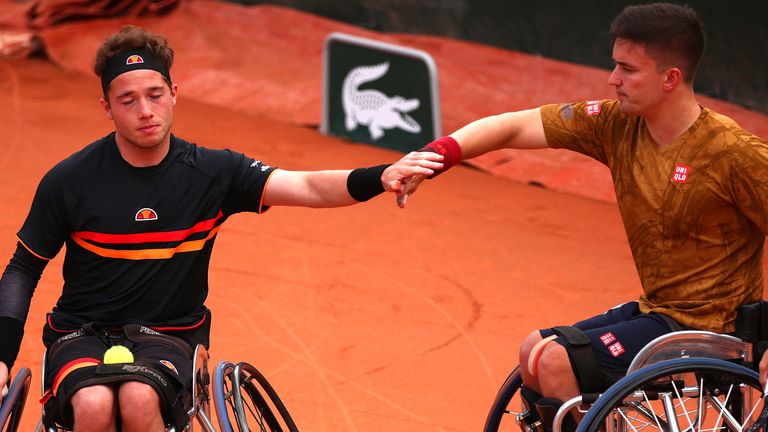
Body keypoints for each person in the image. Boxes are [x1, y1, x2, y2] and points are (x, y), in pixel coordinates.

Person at [0, 25, 443, 431]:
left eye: (155, 95)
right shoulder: (70, 180)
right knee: (94, 406)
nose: (145, 111)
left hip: (170, 334)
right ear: (106, 108)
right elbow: (23, 269)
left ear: (175, 93)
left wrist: (381, 174)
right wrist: (1, 355)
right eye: (128, 100)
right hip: (82, 334)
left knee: (138, 400)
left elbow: (305, 184)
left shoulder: (215, 172)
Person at [402, 2, 768, 430]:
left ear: (670, 78)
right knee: (534, 351)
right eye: (614, 65)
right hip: (660, 312)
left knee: (558, 361)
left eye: (627, 69)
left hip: (714, 326)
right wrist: (435, 156)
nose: (613, 79)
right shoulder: (616, 124)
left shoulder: (733, 153)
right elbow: (516, 125)